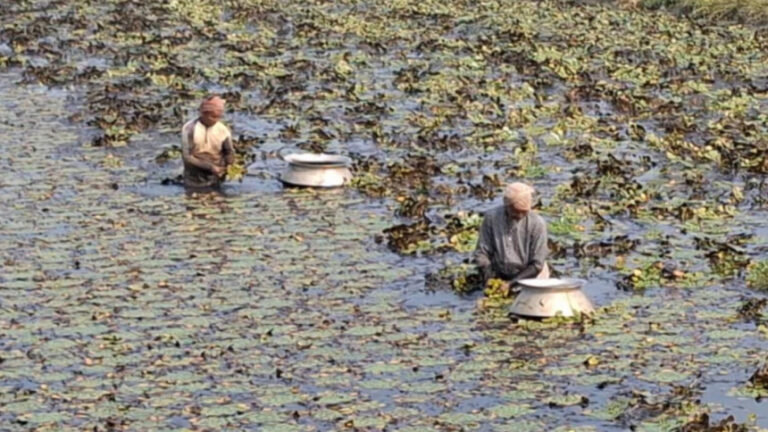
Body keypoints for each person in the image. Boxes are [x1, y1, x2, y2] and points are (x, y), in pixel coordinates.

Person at [474, 182, 550, 287]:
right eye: (516, 211)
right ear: (507, 206)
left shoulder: (537, 224)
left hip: (530, 276)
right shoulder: (491, 219)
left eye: (524, 212)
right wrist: (489, 278)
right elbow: (481, 253)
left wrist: (511, 283)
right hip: (500, 272)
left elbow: (537, 265)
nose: (519, 216)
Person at [181, 95, 235, 188]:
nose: (216, 120)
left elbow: (229, 152)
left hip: (216, 176)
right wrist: (210, 167)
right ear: (204, 114)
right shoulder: (189, 129)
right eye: (213, 117)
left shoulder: (223, 130)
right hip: (194, 177)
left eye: (218, 117)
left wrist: (230, 165)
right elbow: (187, 157)